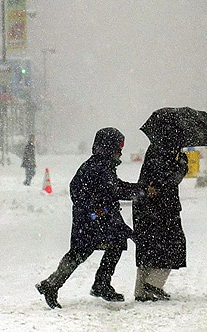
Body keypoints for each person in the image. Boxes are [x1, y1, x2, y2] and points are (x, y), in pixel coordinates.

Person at [36, 127, 148, 309]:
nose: (121, 152)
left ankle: (63, 284)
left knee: (93, 249)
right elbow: (114, 189)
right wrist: (94, 209)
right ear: (109, 148)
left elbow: (110, 188)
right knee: (86, 251)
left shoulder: (99, 164)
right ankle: (90, 284)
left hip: (92, 219)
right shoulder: (99, 166)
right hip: (91, 220)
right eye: (119, 148)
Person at [132, 143, 189, 302]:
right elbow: (168, 181)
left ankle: (141, 290)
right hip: (163, 207)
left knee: (147, 247)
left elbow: (154, 176)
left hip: (144, 205)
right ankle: (153, 284)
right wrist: (182, 166)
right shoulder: (168, 151)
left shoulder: (155, 147)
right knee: (173, 244)